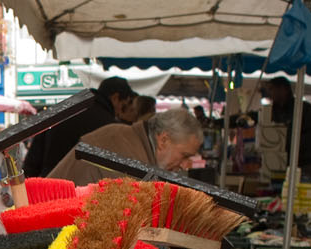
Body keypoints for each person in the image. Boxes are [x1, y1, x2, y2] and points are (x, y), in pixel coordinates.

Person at [46, 105, 207, 188]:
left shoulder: (127, 137)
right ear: (164, 140)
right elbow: (136, 231)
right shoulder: (127, 154)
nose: (187, 165)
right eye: (185, 155)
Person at [20, 76, 137, 179]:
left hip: (50, 188)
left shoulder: (62, 108)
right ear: (116, 98)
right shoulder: (108, 125)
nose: (121, 113)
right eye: (124, 106)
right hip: (81, 194)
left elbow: (32, 163)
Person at [260, 75, 311, 181]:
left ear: (283, 89)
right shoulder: (271, 111)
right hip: (280, 165)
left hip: (306, 164)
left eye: (272, 89)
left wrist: (290, 142)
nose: (270, 93)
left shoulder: (304, 109)